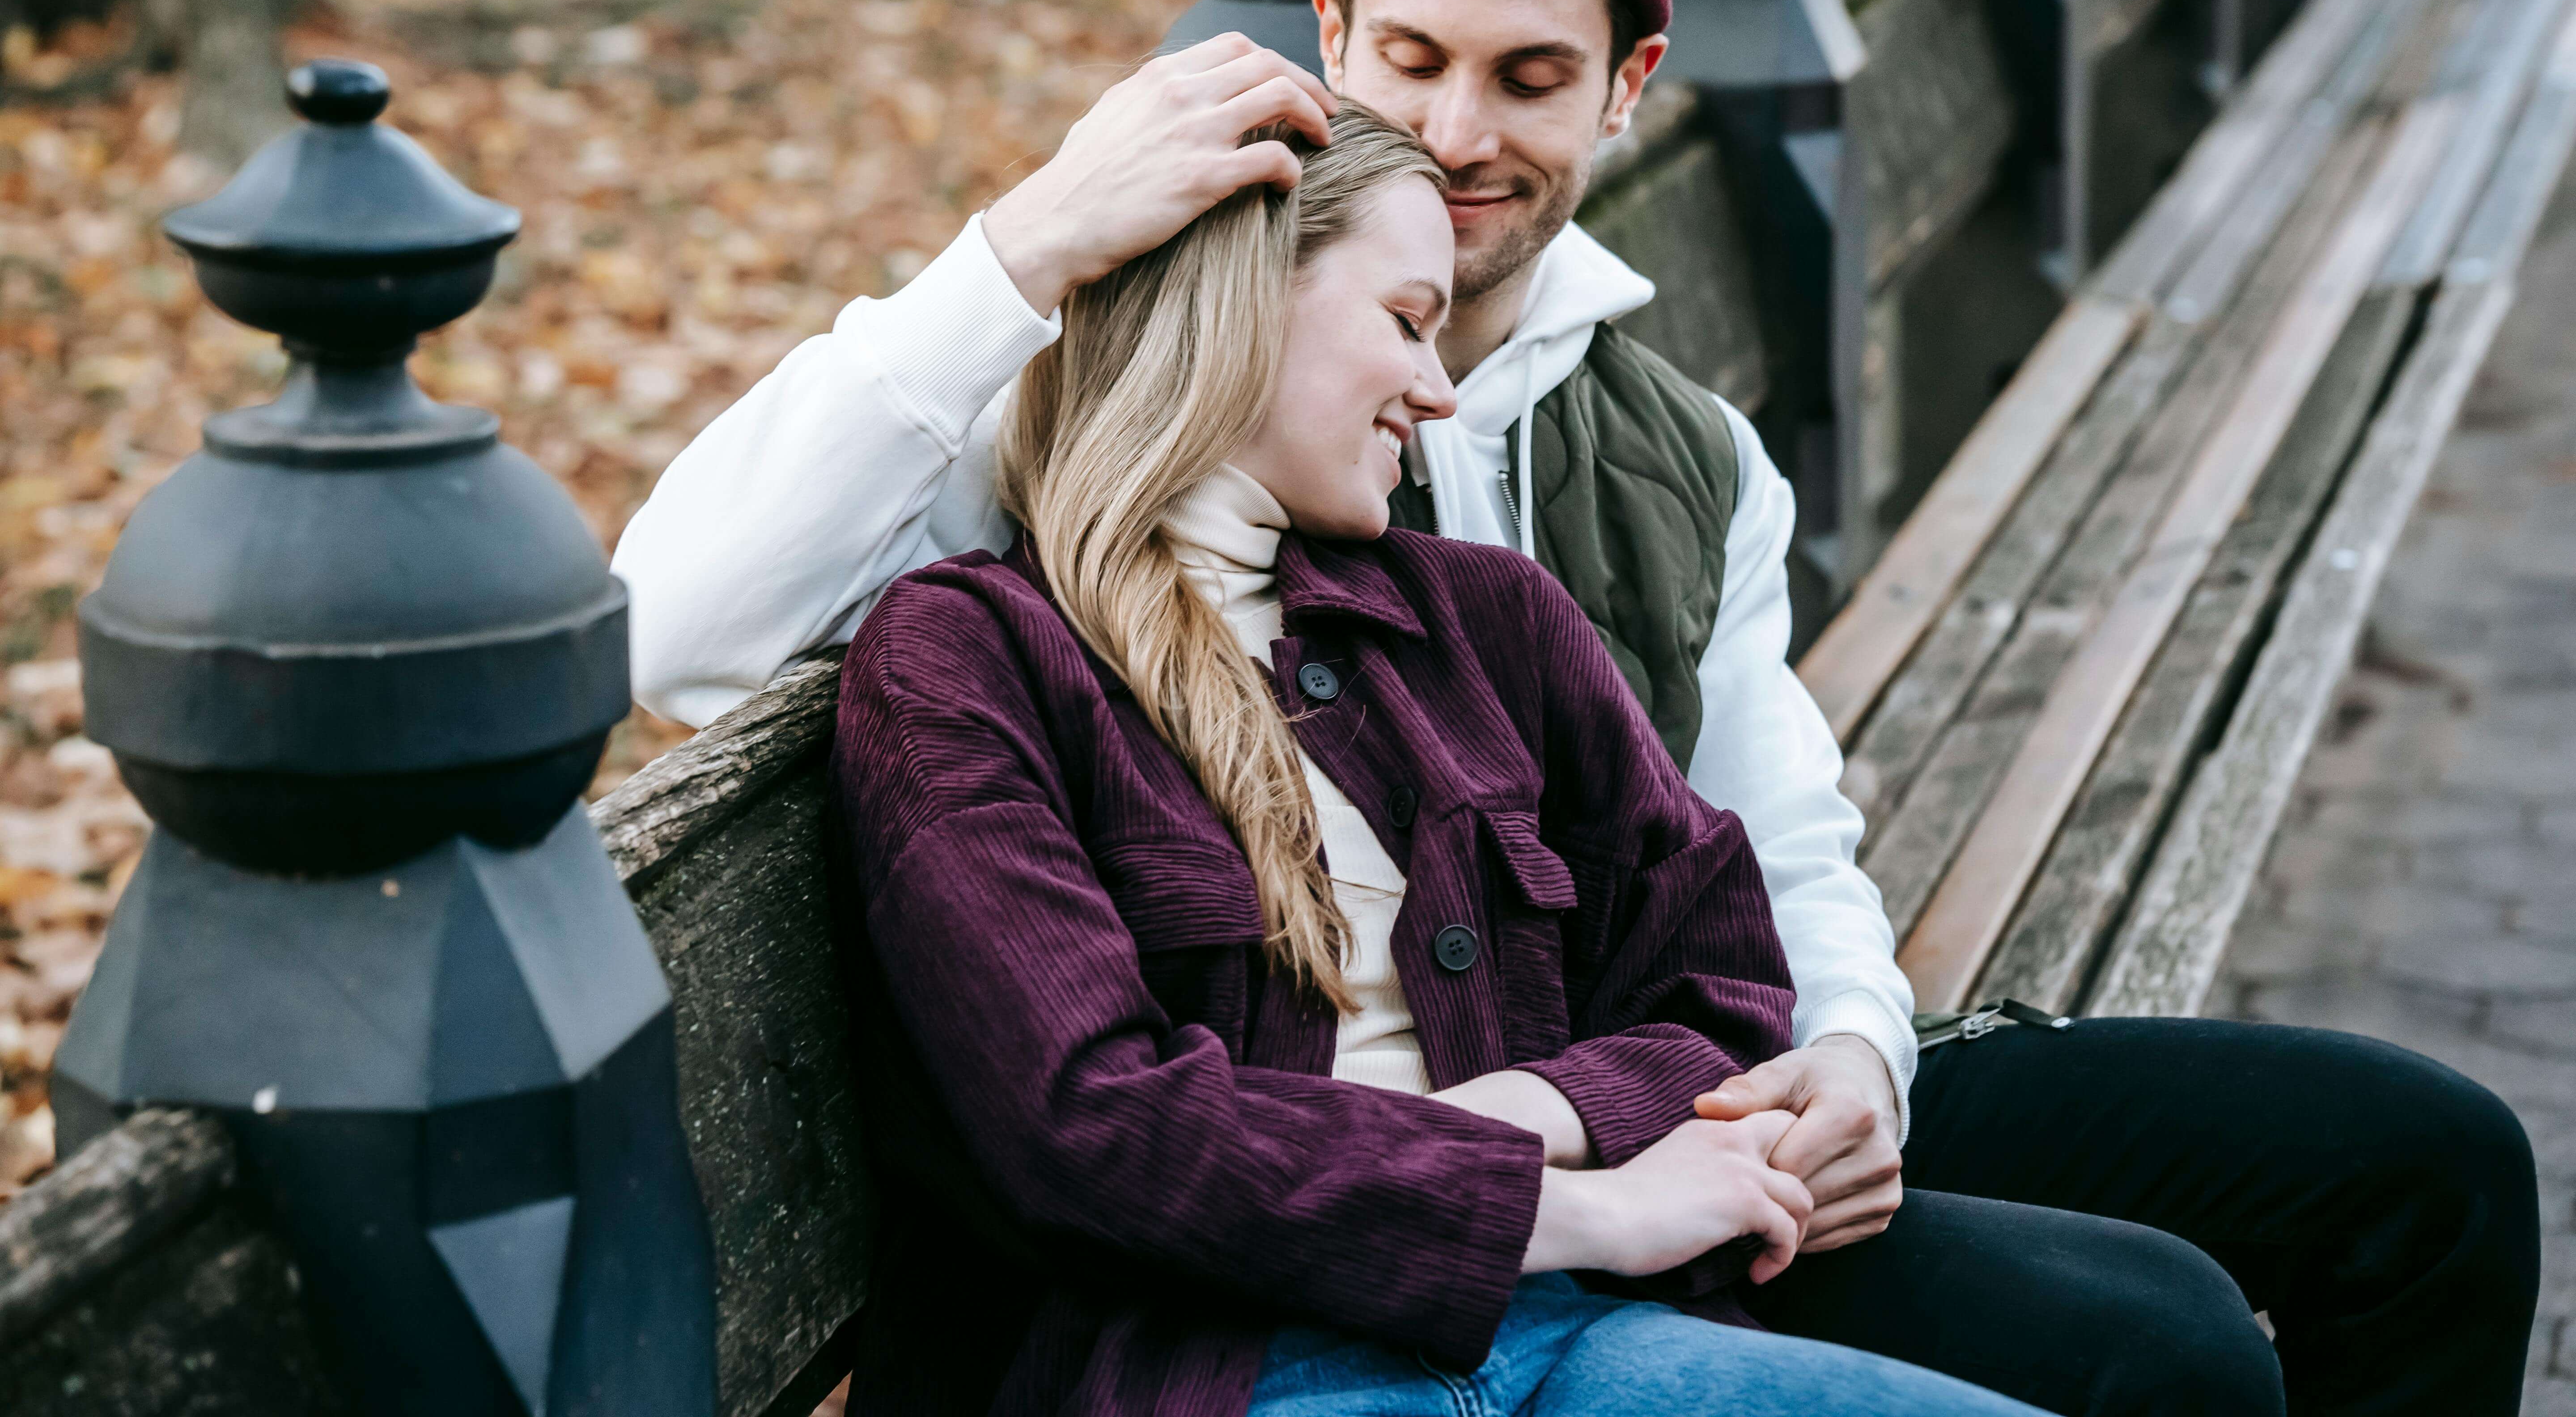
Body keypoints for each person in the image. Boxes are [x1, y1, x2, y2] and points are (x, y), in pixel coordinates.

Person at [617, 0, 2540, 1414]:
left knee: (2424, 1166)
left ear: (1625, 91)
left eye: (1532, 78)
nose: (1461, 135)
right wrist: (1024, 247)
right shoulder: (1066, 449)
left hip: (1693, 1093)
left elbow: (1761, 859)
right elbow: (676, 623)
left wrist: (1851, 1068)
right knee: (2163, 1347)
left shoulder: (1661, 452)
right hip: (1376, 1219)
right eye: (1413, 64)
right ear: (1328, 36)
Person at [830, 102, 2043, 1417]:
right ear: (1245, 305)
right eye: (1407, 321)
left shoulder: (1488, 621)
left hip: (1572, 1338)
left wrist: (1529, 1121)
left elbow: (1719, 980)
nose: (1440, 387)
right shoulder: (972, 660)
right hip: (1229, 1373)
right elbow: (1095, 1126)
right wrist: (1577, 1213)